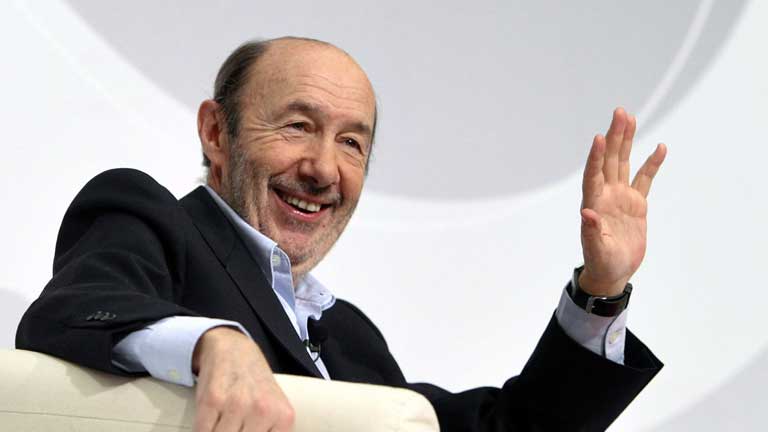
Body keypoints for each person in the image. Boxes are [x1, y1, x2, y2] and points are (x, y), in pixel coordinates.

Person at [17, 36, 667, 431]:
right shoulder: (152, 220)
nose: (324, 169)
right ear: (217, 132)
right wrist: (214, 343)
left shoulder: (351, 336)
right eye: (298, 126)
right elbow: (71, 312)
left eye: (352, 143)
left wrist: (600, 290)